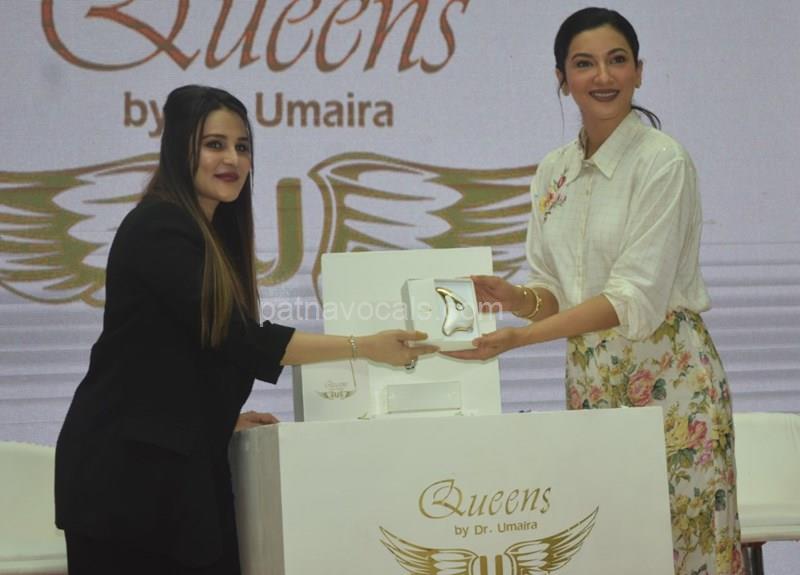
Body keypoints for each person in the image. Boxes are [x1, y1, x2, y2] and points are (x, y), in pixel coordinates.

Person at [54, 85, 437, 574]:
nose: (232, 159)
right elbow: (238, 339)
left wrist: (217, 418)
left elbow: (178, 355)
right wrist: (365, 346)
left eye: (242, 146)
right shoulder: (159, 226)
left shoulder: (207, 233)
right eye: (214, 144)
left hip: (174, 467)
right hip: (127, 483)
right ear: (179, 148)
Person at [448, 8, 743, 575]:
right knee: (611, 550)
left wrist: (519, 338)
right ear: (562, 78)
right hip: (591, 383)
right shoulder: (553, 171)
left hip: (672, 385)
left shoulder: (663, 161)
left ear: (639, 71)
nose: (603, 76)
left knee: (686, 550)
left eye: (617, 60)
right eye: (584, 64)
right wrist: (514, 297)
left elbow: (631, 298)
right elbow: (555, 289)